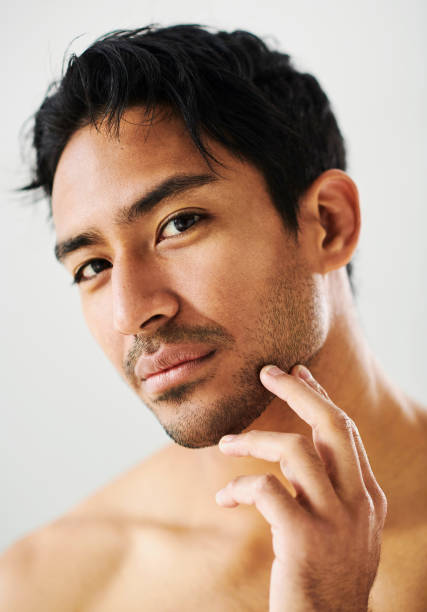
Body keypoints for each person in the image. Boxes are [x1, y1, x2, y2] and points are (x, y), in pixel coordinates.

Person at [1, 23, 426, 611]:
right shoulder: (48, 588)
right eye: (92, 266)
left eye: (179, 224)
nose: (133, 311)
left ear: (328, 224)